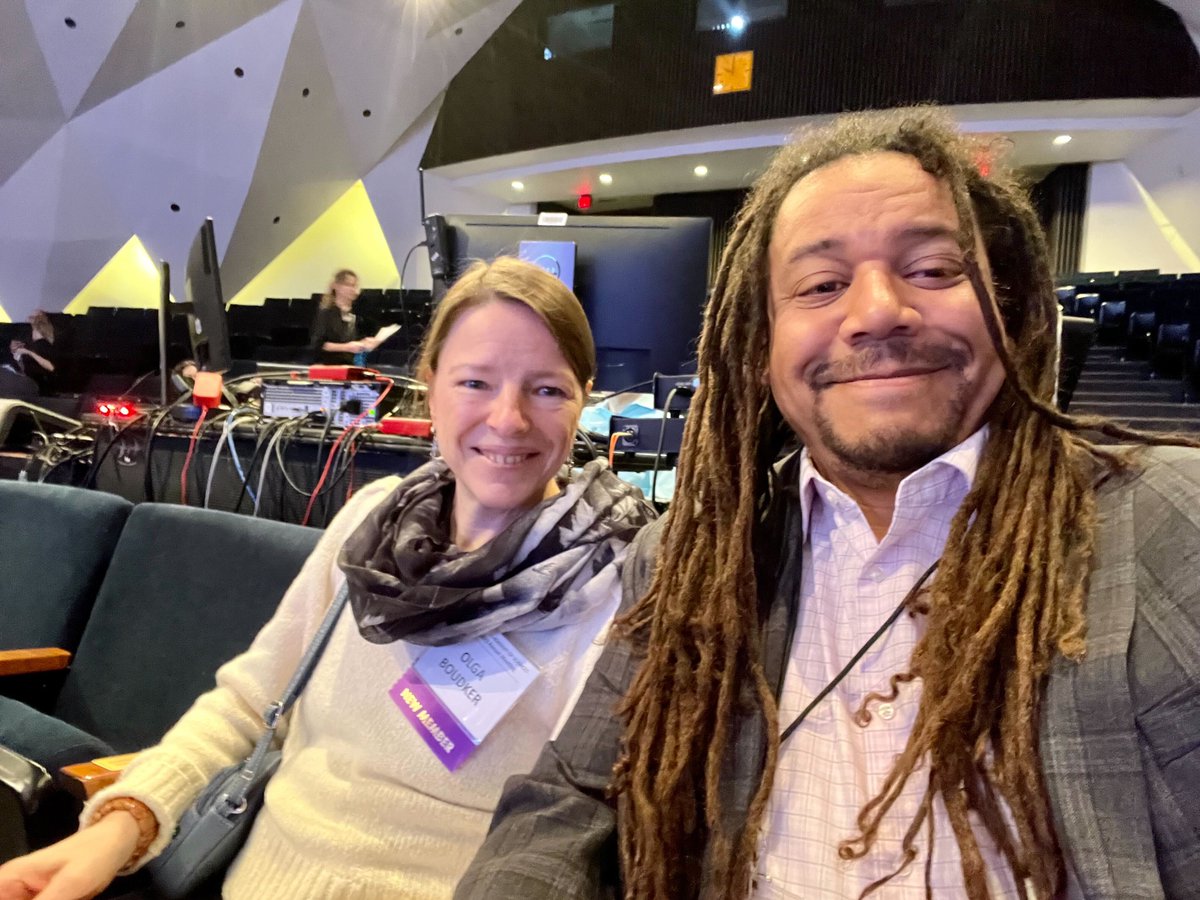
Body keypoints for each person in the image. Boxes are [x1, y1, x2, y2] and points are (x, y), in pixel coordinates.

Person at [456, 108, 1200, 900]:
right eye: (821, 285)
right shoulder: (690, 559)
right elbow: (568, 799)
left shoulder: (1165, 527)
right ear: (762, 344)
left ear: (1008, 308)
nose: (877, 310)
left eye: (935, 270)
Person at [0, 257, 655, 899]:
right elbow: (249, 706)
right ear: (429, 385)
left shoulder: (618, 581)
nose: (508, 419)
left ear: (583, 399)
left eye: (546, 389)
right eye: (475, 383)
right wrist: (124, 822)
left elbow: (589, 824)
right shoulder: (370, 523)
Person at [309, 269, 379, 365]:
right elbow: (319, 344)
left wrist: (366, 343)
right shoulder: (326, 313)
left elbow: (355, 339)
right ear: (337, 286)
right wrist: (346, 347)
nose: (353, 289)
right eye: (348, 285)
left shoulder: (357, 313)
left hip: (350, 366)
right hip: (329, 365)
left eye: (354, 285)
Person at [9, 312, 57, 394]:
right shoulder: (31, 344)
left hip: (41, 388)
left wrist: (28, 352)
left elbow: (51, 367)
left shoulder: (44, 345)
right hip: (30, 386)